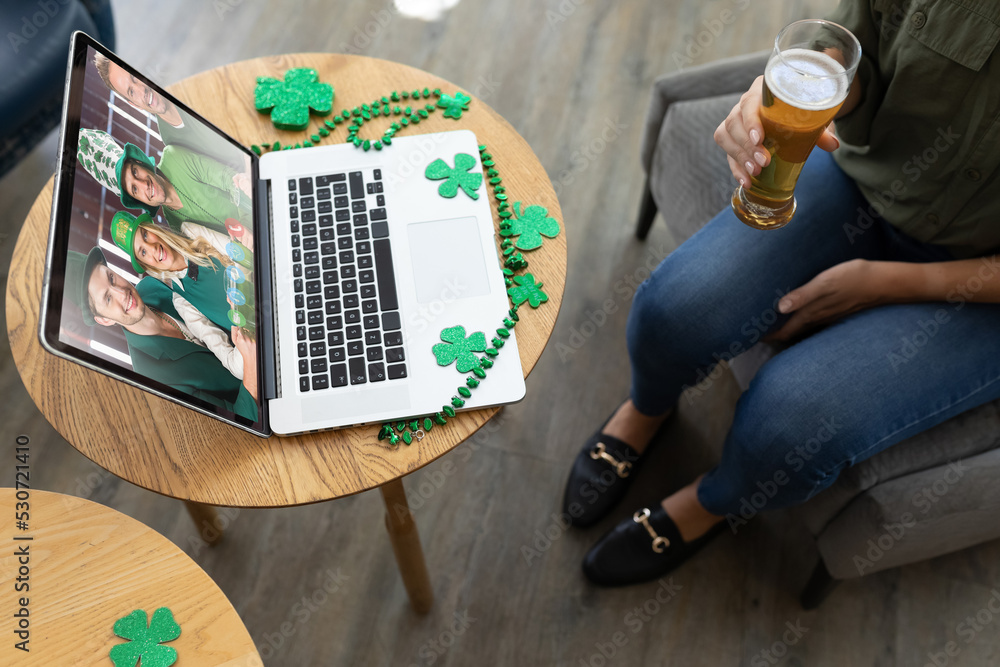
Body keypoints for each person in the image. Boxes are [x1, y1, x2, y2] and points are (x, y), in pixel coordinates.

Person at [563, 0, 1000, 586]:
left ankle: (711, 501)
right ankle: (647, 409)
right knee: (675, 311)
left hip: (985, 295)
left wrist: (885, 284)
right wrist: (791, 100)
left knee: (787, 432)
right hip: (869, 181)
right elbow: (854, 51)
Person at [66, 248, 259, 422]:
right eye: (108, 298)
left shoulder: (151, 285)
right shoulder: (153, 379)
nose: (121, 293)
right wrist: (251, 365)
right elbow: (237, 420)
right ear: (104, 320)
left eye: (111, 278)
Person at [91, 53, 250, 171]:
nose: (141, 90)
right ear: (134, 105)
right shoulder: (171, 142)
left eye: (134, 77)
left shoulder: (192, 89)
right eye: (131, 92)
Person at [110, 210, 242, 333]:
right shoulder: (181, 302)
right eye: (143, 252)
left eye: (145, 235)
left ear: (153, 229)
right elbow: (223, 349)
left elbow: (240, 254)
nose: (153, 249)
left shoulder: (192, 233)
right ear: (144, 264)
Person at [115, 140, 254, 238]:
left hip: (254, 206)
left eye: (135, 172)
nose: (143, 184)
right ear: (139, 201)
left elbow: (229, 178)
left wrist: (246, 224)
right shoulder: (174, 222)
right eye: (135, 189)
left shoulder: (173, 158)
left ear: (141, 163)